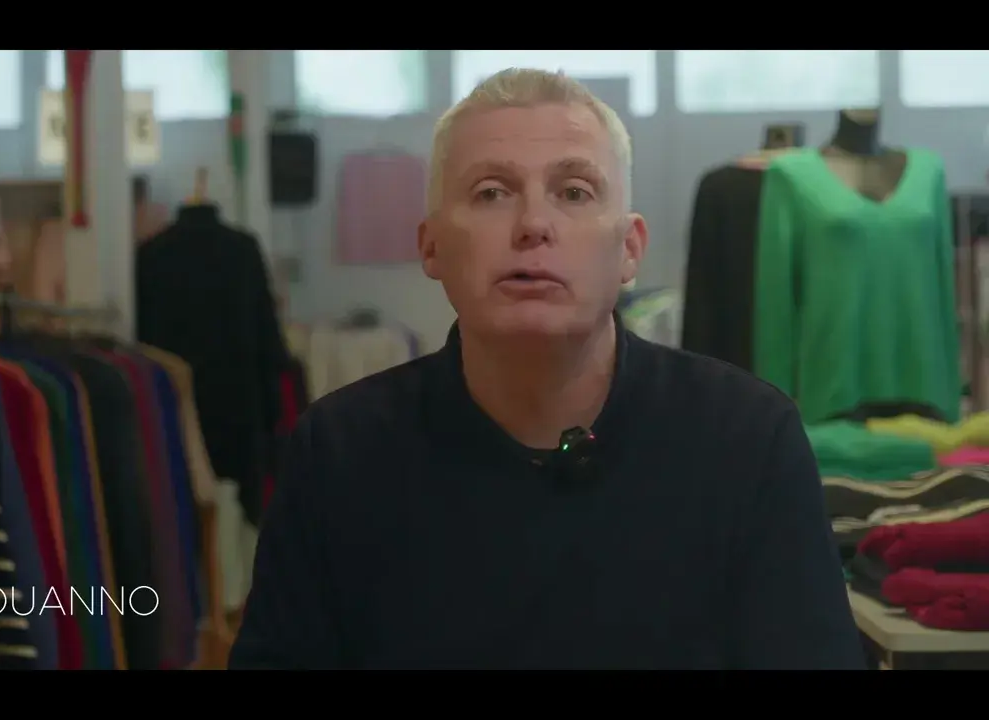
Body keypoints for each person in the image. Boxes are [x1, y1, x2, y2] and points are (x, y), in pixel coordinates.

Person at [229, 68, 864, 670]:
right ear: (432, 245)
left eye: (574, 192)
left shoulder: (748, 442)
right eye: (491, 192)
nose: (534, 224)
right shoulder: (338, 454)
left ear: (630, 249)